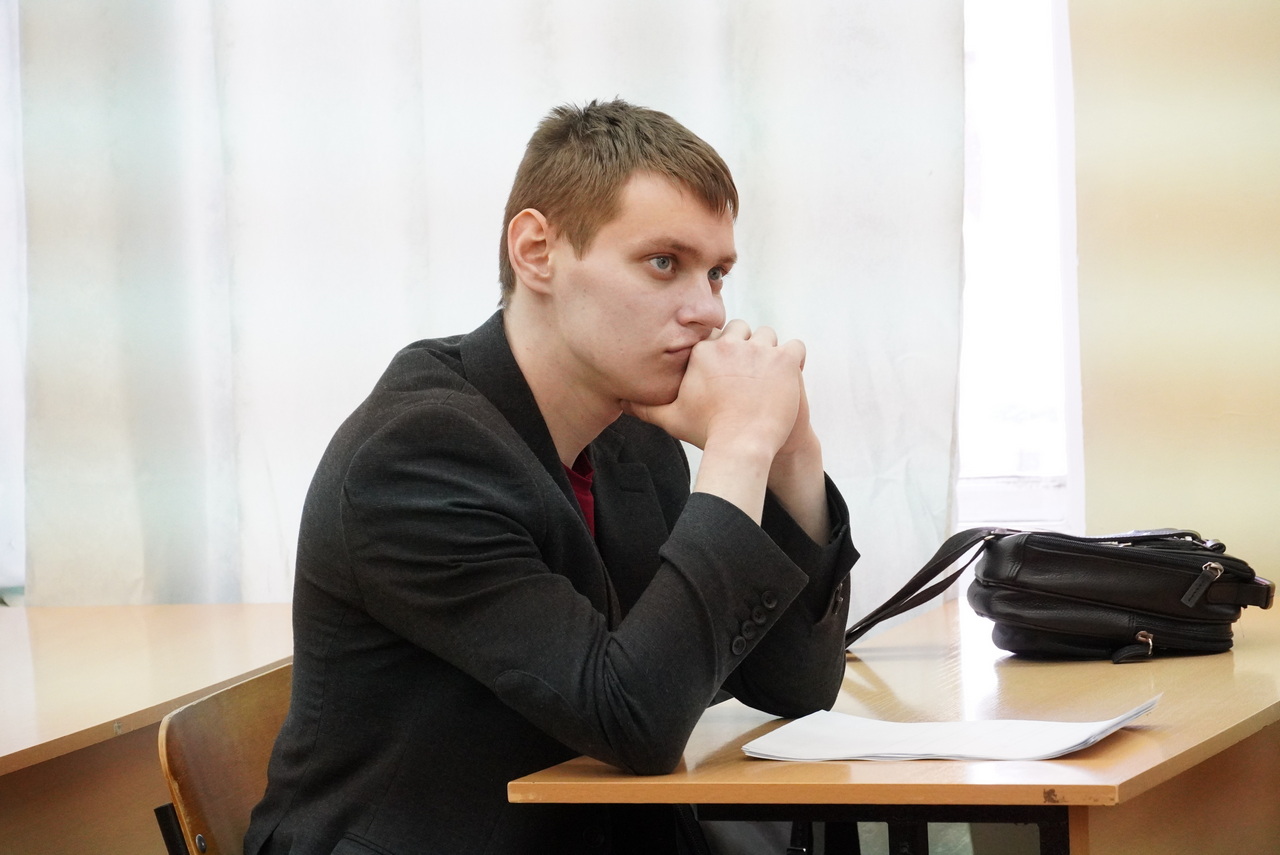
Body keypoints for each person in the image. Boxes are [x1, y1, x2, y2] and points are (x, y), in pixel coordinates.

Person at [244, 99, 857, 855]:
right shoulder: (416, 455)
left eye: (718, 273)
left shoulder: (633, 434)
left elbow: (796, 687)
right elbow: (636, 720)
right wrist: (738, 446)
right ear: (537, 251)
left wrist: (791, 449)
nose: (706, 310)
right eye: (663, 263)